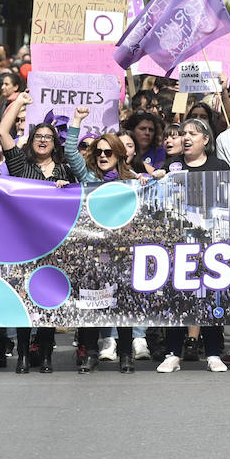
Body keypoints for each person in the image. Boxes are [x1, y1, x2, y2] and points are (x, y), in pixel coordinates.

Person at [0, 93, 76, 372]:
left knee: (48, 301)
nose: (43, 140)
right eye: (38, 136)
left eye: (48, 137)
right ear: (31, 141)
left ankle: (45, 353)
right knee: (24, 299)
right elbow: (3, 131)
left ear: (55, 143)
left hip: (54, 245)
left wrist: (68, 189)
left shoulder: (66, 169)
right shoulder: (21, 166)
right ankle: (22, 355)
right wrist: (19, 102)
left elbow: (78, 203)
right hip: (24, 244)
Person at [63, 106, 141, 374]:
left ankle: (126, 353)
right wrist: (77, 121)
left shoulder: (132, 181)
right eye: (99, 152)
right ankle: (91, 353)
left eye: (109, 152)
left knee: (124, 304)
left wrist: (156, 178)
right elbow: (71, 153)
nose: (104, 156)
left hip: (122, 253)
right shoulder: (88, 178)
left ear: (119, 154)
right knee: (90, 303)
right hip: (92, 252)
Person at [155, 118, 230, 374]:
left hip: (210, 243)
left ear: (205, 140)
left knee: (210, 297)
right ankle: (172, 353)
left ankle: (213, 353)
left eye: (192, 134)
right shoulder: (171, 166)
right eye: (183, 134)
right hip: (178, 244)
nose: (186, 138)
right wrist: (155, 179)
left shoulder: (219, 166)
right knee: (178, 299)